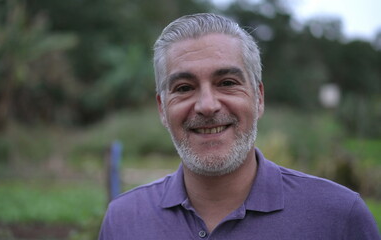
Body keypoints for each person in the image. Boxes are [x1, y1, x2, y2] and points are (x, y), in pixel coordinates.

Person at [98, 13, 380, 239]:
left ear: (259, 99)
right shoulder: (124, 220)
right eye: (184, 87)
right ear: (162, 108)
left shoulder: (338, 217)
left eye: (227, 83)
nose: (207, 105)